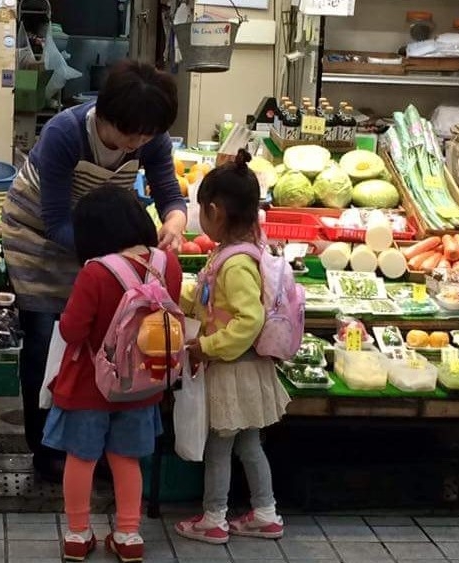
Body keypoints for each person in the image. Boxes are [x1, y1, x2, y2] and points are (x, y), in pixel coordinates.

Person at [1, 59, 187, 481]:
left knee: (108, 340)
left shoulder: (149, 137)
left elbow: (169, 194)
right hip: (39, 238)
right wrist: (116, 261)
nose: (135, 143)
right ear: (103, 115)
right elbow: (56, 222)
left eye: (146, 135)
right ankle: (46, 448)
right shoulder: (65, 133)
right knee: (47, 341)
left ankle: (97, 445)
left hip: (104, 245)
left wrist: (175, 220)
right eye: (127, 134)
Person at [42, 184, 183, 562]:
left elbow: (72, 330)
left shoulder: (96, 272)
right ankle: (128, 535)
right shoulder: (168, 264)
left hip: (91, 384)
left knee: (82, 458)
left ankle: (76, 534)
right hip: (143, 382)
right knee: (126, 458)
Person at [174, 150, 291, 544]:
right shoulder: (236, 253)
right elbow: (215, 302)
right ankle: (265, 512)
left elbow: (248, 318)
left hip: (233, 367)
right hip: (247, 367)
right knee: (249, 445)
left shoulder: (235, 262)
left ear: (214, 212)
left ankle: (214, 518)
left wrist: (208, 346)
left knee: (221, 447)